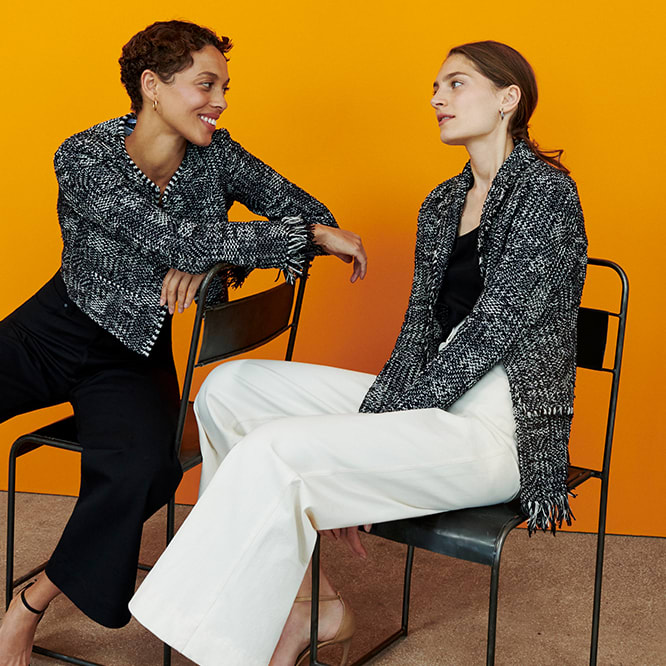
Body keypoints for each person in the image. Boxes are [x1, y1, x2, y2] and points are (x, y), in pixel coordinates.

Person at [129, 40, 588, 666]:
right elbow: (417, 338)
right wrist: (363, 447)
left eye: (455, 84)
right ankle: (308, 604)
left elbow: (490, 335)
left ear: (509, 99)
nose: (436, 98)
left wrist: (362, 444)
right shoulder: (443, 203)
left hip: (496, 429)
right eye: (435, 86)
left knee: (276, 451)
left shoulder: (547, 198)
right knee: (232, 390)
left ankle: (227, 647)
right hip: (431, 402)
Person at [0, 20, 366, 666]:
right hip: (50, 331)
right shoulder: (83, 156)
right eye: (206, 84)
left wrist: (218, 267)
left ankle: (30, 602)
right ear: (152, 85)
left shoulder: (218, 156)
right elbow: (176, 239)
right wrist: (236, 249)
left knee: (148, 467)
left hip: (132, 355)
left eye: (224, 86)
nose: (220, 100)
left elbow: (312, 213)